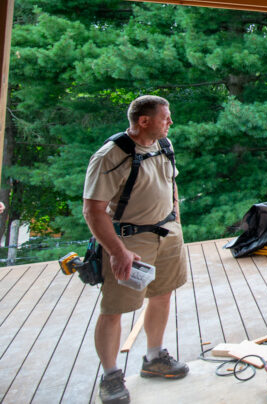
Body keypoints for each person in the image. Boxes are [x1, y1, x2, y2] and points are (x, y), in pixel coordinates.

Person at [83, 95, 189, 403]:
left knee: (162, 294)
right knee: (114, 310)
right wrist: (117, 251)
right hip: (129, 242)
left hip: (168, 235)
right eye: (165, 117)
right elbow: (93, 210)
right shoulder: (111, 156)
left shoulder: (163, 146)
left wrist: (177, 227)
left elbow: (171, 187)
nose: (170, 122)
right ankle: (111, 376)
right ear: (144, 121)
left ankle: (154, 358)